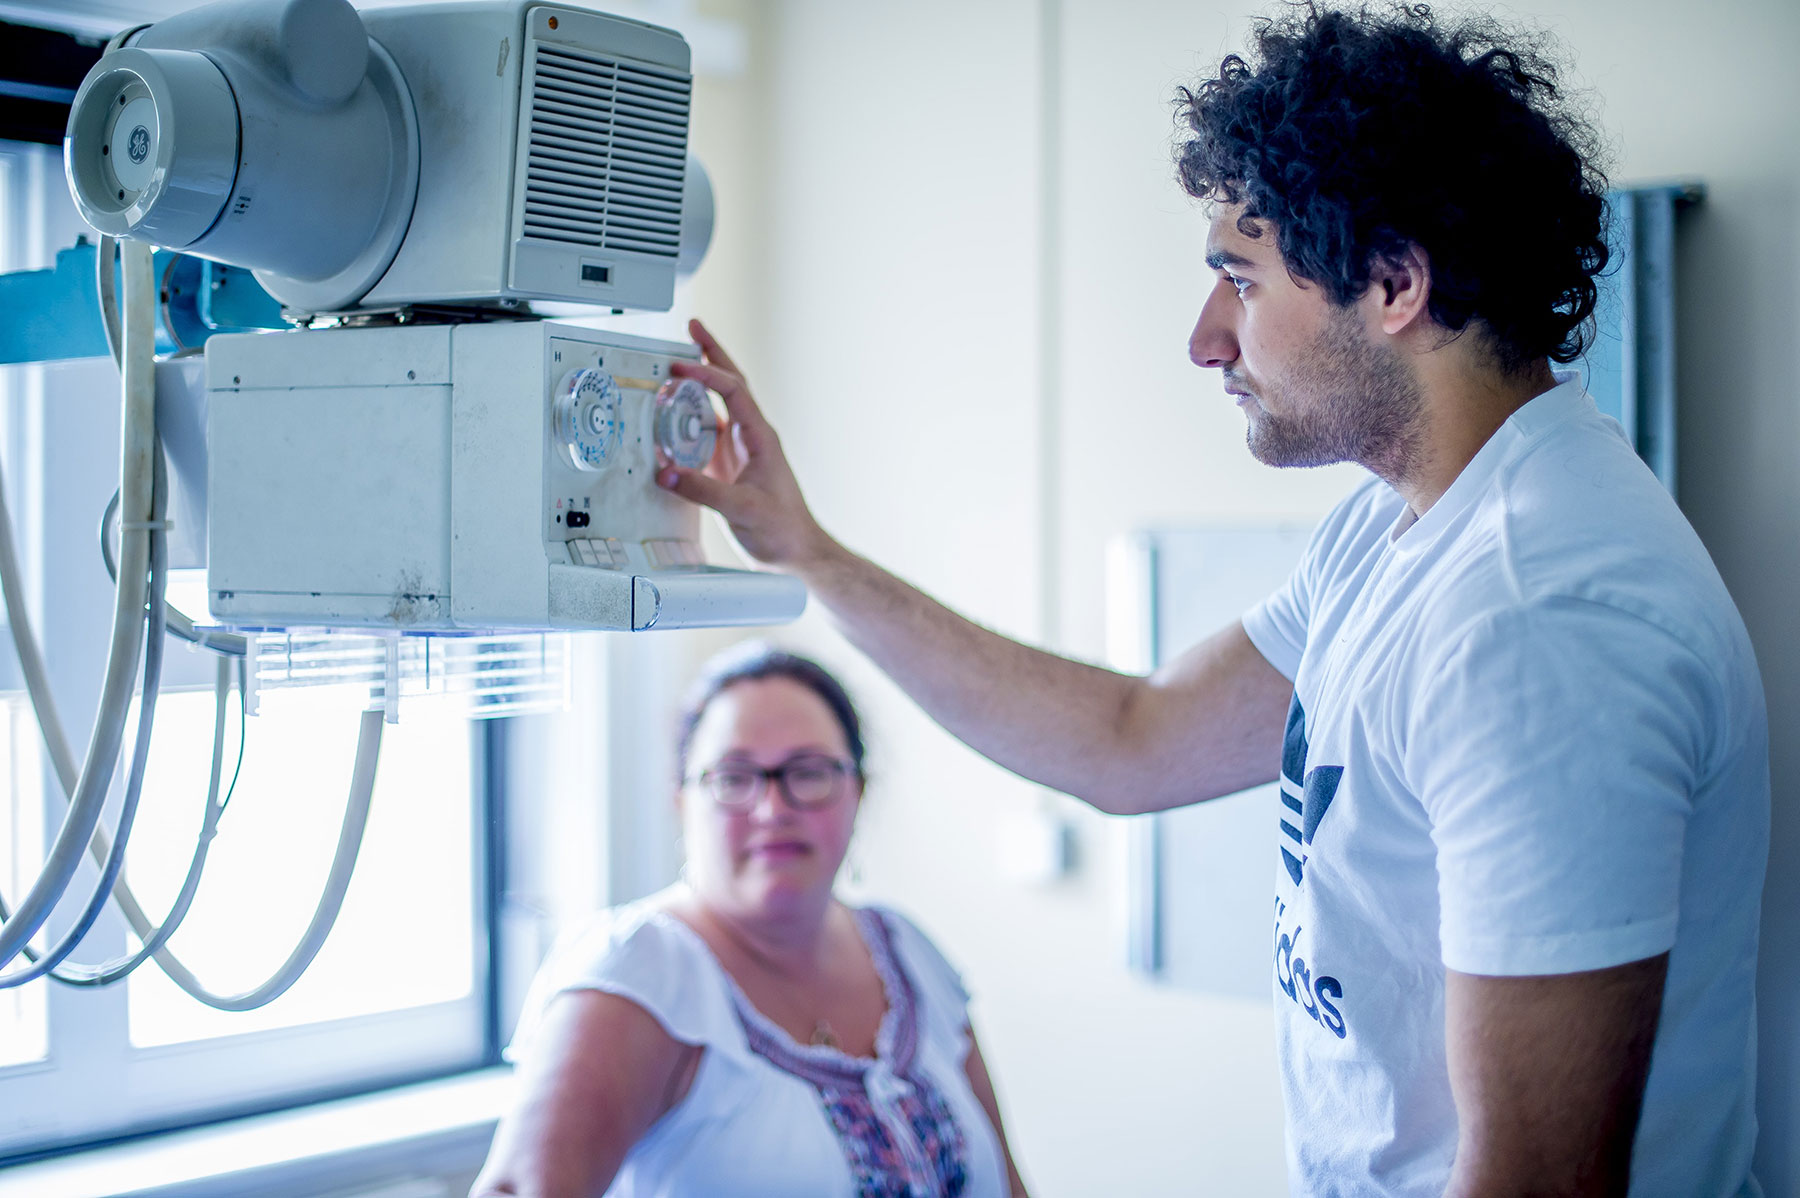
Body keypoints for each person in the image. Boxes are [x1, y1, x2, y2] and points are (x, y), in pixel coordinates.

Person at [651, 5, 1770, 1196]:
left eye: (1239, 278)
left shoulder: (1540, 619)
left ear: (1394, 282)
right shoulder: (1399, 533)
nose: (1204, 338)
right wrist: (809, 553)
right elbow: (1132, 739)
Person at [471, 643, 1030, 1198]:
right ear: (684, 800)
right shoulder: (640, 972)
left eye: (809, 773)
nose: (773, 809)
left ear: (858, 791)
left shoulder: (908, 953)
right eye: (734, 777)